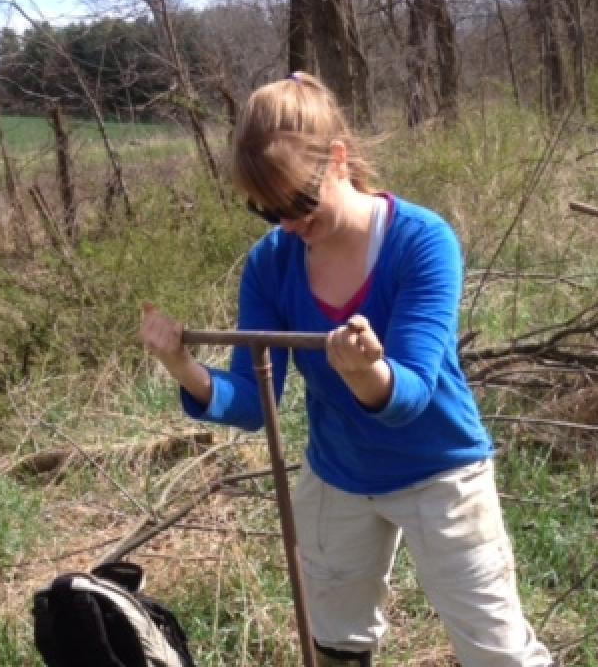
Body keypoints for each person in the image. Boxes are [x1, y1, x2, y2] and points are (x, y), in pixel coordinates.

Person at [139, 72, 554, 667]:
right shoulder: (272, 264)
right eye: (268, 212)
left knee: (497, 654)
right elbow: (255, 404)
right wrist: (182, 365)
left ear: (337, 159)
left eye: (299, 203)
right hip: (338, 474)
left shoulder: (421, 242)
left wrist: (366, 373)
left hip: (441, 470)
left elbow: (410, 393)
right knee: (334, 645)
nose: (288, 225)